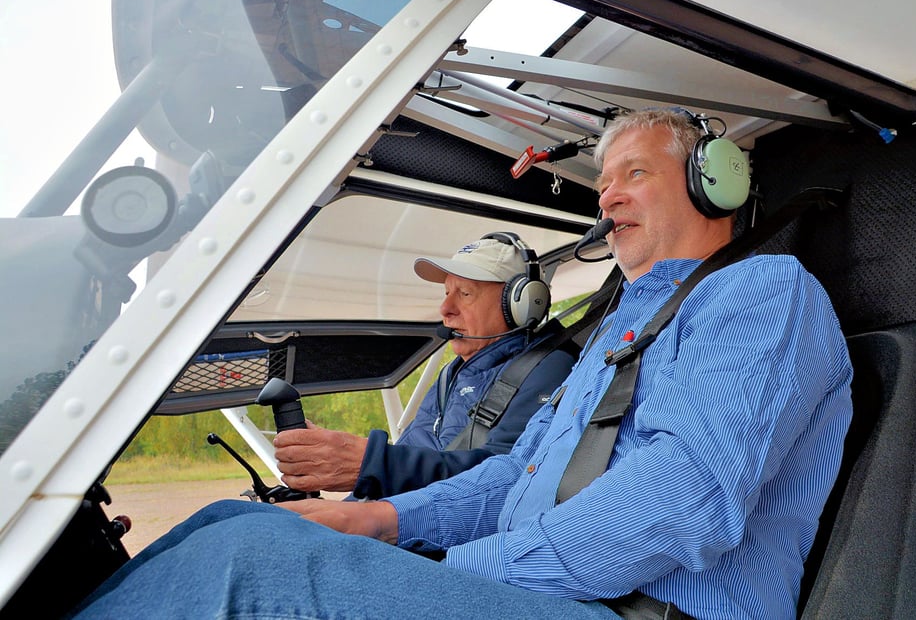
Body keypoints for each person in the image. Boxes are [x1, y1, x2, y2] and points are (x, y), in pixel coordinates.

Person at [73, 109, 853, 620]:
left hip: (637, 610)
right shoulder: (617, 331)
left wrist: (468, 569)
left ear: (710, 181)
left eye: (635, 175)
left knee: (245, 567)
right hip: (545, 593)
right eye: (603, 181)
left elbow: (685, 501)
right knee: (233, 521)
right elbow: (519, 473)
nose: (608, 197)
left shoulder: (762, 294)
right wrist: (378, 517)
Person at [272, 235, 576, 500]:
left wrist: (374, 463)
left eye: (465, 293)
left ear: (521, 305)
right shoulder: (451, 376)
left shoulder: (549, 369)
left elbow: (505, 479)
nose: (446, 309)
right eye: (446, 293)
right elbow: (414, 454)